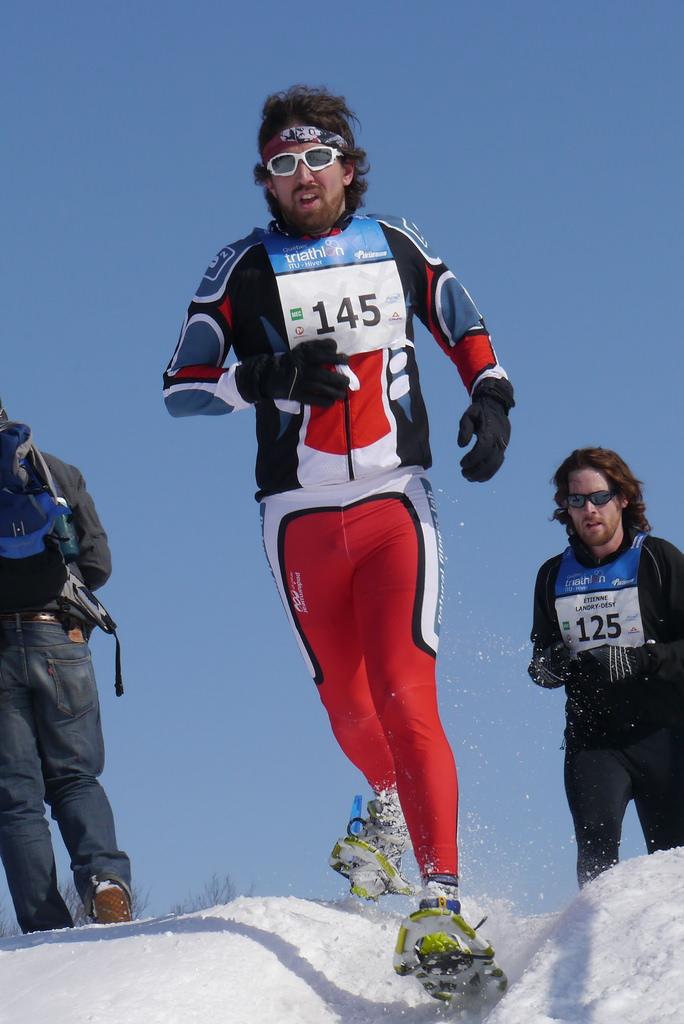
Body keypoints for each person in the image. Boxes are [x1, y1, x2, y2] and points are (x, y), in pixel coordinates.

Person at [163, 85, 513, 999]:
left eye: (317, 158)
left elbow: (457, 314)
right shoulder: (240, 267)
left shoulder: (394, 243)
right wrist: (262, 375)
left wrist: (493, 393)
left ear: (349, 168)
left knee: (405, 692)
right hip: (300, 518)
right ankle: (391, 818)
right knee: (349, 712)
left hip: (397, 503)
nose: (302, 176)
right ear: (265, 182)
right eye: (282, 164)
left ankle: (440, 897)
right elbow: (180, 384)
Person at [0, 397, 132, 932]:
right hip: (58, 635)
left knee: (16, 798)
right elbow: (97, 565)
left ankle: (44, 926)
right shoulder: (57, 471)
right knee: (76, 779)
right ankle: (104, 881)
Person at [529, 447, 684, 888]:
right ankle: (594, 950)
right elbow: (543, 653)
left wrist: (641, 660)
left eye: (599, 497)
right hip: (593, 739)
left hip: (666, 735)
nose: (588, 510)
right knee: (595, 861)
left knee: (675, 867)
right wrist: (547, 668)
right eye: (576, 501)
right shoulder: (551, 575)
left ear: (623, 499)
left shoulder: (658, 559)